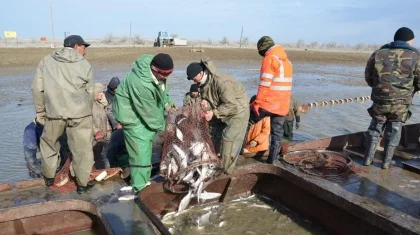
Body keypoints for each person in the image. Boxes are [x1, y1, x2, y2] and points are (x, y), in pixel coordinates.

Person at [31, 35, 95, 194]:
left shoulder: (46, 61)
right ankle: (82, 185)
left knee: (49, 145)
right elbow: (90, 92)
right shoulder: (84, 64)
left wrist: (40, 111)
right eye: (84, 47)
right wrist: (86, 111)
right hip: (80, 115)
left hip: (54, 114)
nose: (85, 52)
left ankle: (49, 179)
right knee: (83, 150)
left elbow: (37, 88)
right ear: (75, 46)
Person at [113, 53, 177, 192]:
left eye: (169, 74)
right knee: (140, 152)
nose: (166, 77)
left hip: (145, 111)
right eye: (164, 74)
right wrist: (166, 127)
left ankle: (143, 179)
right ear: (155, 70)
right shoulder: (141, 83)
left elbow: (162, 91)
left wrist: (167, 103)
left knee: (147, 147)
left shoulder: (159, 72)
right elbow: (150, 114)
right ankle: (139, 188)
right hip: (132, 116)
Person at [364, 27, 420, 169]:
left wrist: (379, 88)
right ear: (409, 40)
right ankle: (386, 163)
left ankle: (367, 159)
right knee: (394, 129)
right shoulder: (415, 56)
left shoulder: (378, 53)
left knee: (375, 128)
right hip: (401, 102)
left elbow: (368, 77)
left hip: (380, 99)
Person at [186, 58, 249, 173]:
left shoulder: (222, 81)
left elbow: (231, 105)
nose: (194, 82)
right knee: (212, 132)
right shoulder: (202, 82)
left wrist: (213, 113)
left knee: (228, 137)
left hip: (239, 109)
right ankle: (214, 159)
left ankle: (226, 169)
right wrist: (206, 104)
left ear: (201, 73)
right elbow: (212, 98)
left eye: (194, 79)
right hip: (223, 107)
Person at [248, 36, 293, 164]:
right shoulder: (287, 62)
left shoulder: (270, 58)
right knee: (277, 134)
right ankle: (271, 161)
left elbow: (264, 84)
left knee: (247, 122)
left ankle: (239, 152)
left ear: (263, 48)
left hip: (268, 104)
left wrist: (257, 103)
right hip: (282, 107)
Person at [92, 83, 112, 169]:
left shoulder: (102, 105)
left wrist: (107, 129)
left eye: (103, 92)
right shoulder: (90, 105)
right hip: (93, 135)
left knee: (100, 154)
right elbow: (88, 121)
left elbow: (105, 118)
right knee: (91, 154)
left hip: (103, 133)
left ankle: (100, 169)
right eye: (99, 92)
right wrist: (95, 131)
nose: (102, 94)